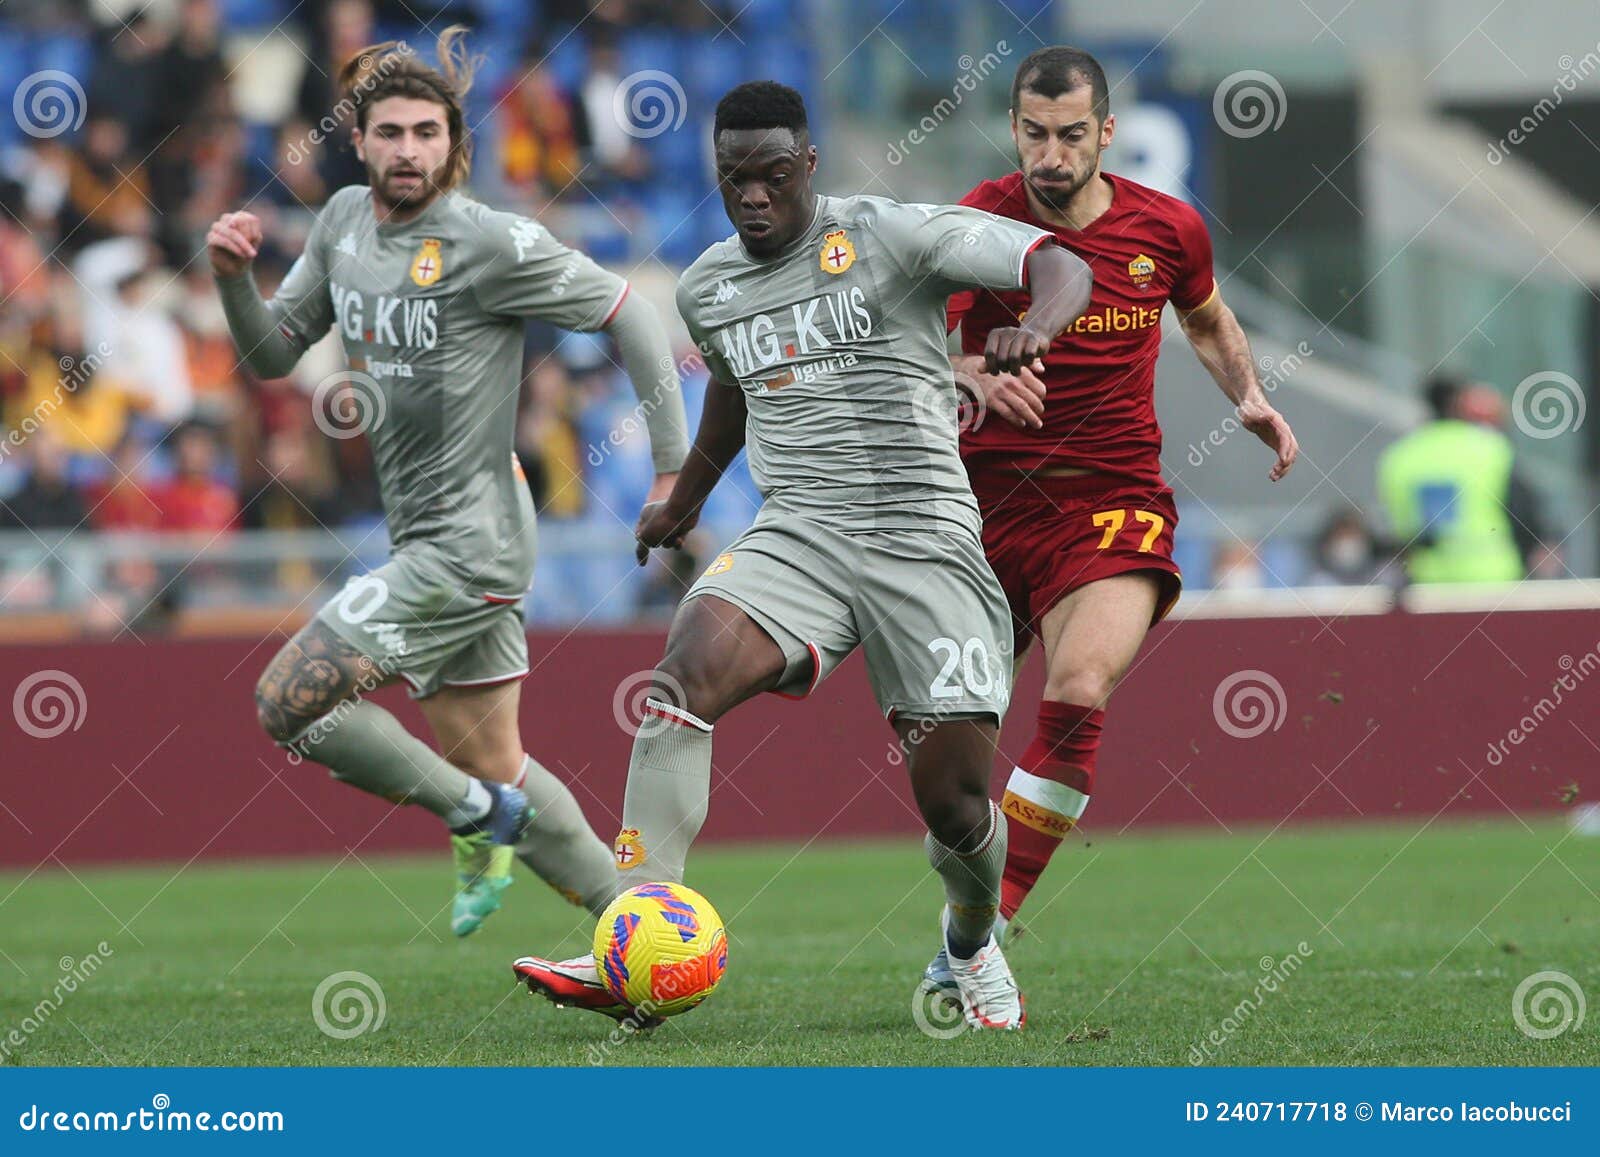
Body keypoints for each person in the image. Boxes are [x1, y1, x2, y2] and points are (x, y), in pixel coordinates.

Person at [512, 80, 1094, 1031]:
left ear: (808, 165)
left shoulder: (892, 235)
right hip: (800, 533)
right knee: (684, 672)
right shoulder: (707, 286)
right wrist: (683, 500)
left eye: (772, 175)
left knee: (952, 803)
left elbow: (1058, 261)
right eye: (733, 178)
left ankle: (972, 938)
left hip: (926, 536)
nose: (752, 195)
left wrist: (1039, 324)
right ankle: (632, 936)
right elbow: (734, 396)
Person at [206, 27, 690, 937]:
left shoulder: (489, 240)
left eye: (428, 133)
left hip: (472, 542)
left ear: (453, 143)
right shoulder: (343, 222)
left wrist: (670, 466)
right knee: (497, 763)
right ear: (359, 138)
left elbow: (628, 314)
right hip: (426, 536)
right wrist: (235, 280)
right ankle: (639, 929)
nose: (408, 150)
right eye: (390, 132)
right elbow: (273, 353)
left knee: (290, 700)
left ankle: (475, 815)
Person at [934, 46, 1299, 988]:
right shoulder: (974, 221)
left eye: (1069, 136)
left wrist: (1248, 397)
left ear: (1105, 133)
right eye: (1032, 134)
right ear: (1014, 129)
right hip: (981, 509)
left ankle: (980, 941)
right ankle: (971, 902)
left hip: (1111, 497)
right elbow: (906, 341)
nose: (1049, 156)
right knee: (950, 768)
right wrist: (967, 375)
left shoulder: (1167, 227)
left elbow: (1207, 319)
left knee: (1083, 685)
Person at [1377, 373, 1529, 584]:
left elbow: (1396, 523)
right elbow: (1524, 514)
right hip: (1491, 580)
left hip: (1425, 582)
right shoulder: (1491, 448)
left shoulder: (1399, 456)